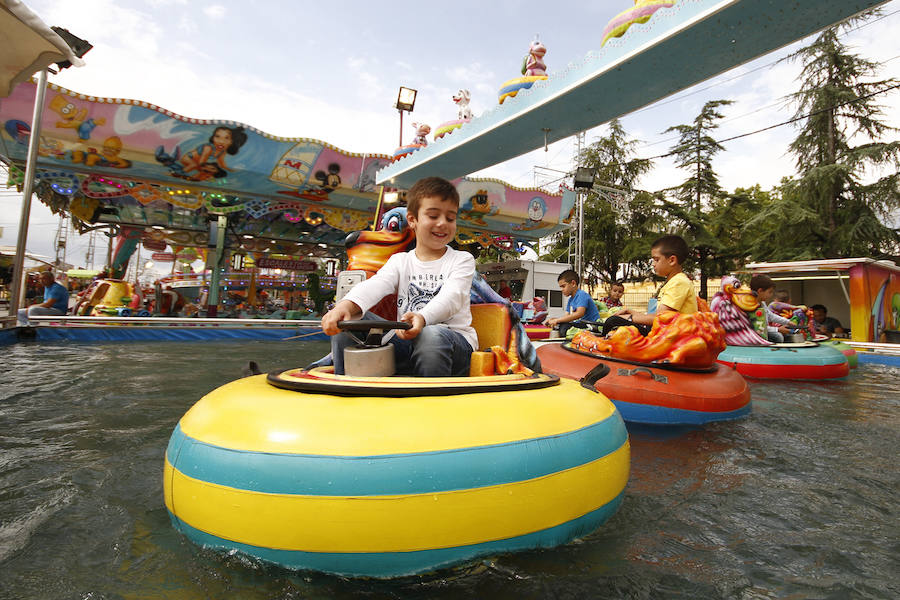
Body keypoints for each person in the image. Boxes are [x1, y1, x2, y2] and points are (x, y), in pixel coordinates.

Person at [321, 176, 477, 376]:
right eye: (433, 216)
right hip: (405, 341)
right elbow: (376, 284)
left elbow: (452, 297)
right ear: (412, 220)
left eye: (450, 218)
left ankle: (429, 399)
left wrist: (422, 317)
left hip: (453, 346)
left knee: (431, 334)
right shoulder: (400, 261)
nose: (442, 224)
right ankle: (345, 387)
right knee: (351, 320)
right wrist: (344, 306)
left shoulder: (462, 260)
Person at [601, 235, 698, 337]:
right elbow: (659, 316)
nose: (653, 264)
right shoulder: (673, 282)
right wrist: (631, 312)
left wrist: (629, 317)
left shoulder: (679, 282)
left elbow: (660, 319)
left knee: (613, 321)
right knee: (615, 321)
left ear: (672, 260)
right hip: (665, 333)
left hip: (673, 337)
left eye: (656, 260)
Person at [546, 269, 601, 337]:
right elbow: (567, 317)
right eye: (560, 287)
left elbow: (579, 313)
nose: (561, 290)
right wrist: (555, 320)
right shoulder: (570, 300)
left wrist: (557, 320)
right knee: (561, 325)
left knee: (564, 328)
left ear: (573, 283)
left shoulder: (582, 295)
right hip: (580, 325)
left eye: (563, 286)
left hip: (590, 325)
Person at [750, 274, 795, 343]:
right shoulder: (750, 305)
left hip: (765, 331)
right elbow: (757, 328)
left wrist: (788, 322)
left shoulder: (762, 303)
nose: (771, 295)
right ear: (760, 291)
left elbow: (771, 316)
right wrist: (777, 329)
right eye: (770, 292)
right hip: (755, 334)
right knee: (777, 336)